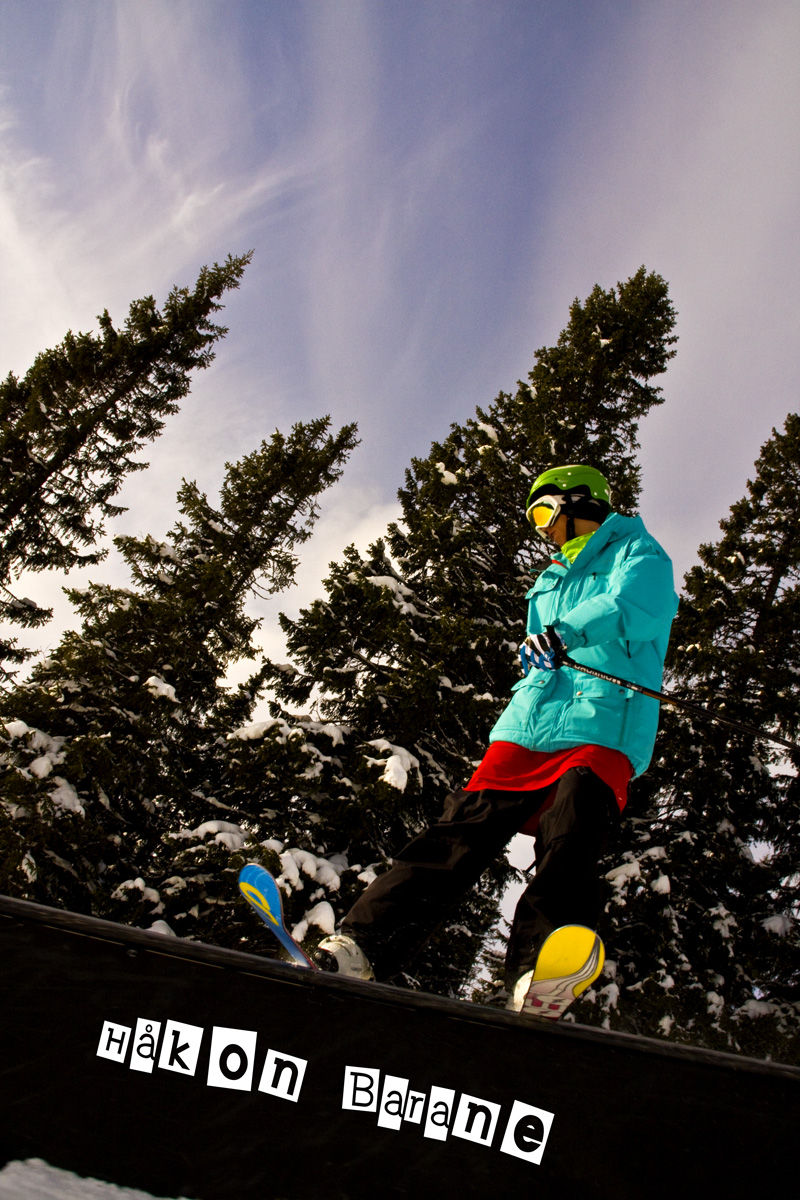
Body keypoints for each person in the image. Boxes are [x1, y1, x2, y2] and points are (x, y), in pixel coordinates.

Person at [318, 464, 678, 1016]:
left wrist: (566, 634)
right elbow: (545, 643)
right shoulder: (549, 579)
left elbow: (637, 608)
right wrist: (538, 652)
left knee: (572, 830)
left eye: (543, 513)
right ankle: (366, 943)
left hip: (604, 721)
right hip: (530, 721)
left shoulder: (638, 553)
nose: (542, 529)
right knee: (464, 825)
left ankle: (541, 970)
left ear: (577, 502)